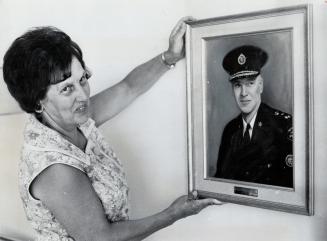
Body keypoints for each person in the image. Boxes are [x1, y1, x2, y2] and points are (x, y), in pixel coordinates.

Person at [3, 17, 223, 241]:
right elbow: (101, 238)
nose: (83, 95)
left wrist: (170, 56)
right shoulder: (55, 169)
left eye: (83, 79)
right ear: (37, 101)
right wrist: (174, 214)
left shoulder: (72, 118)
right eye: (67, 88)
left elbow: (128, 88)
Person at [214, 45, 293, 188]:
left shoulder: (283, 126)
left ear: (260, 86)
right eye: (238, 85)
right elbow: (220, 182)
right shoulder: (230, 130)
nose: (243, 93)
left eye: (250, 83)